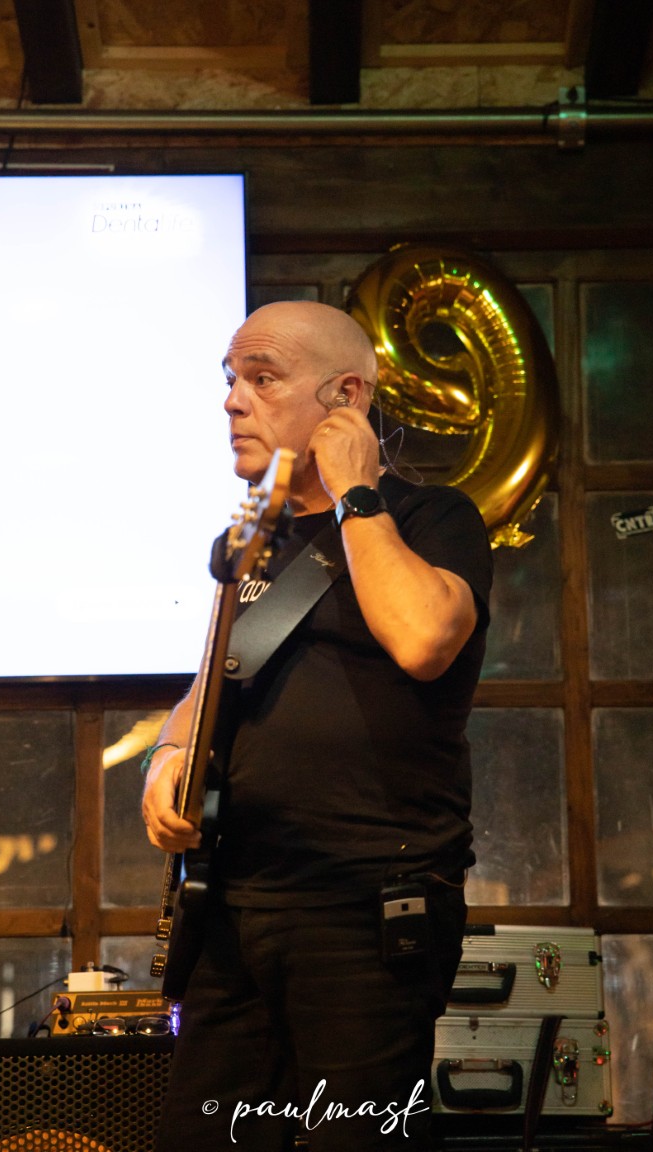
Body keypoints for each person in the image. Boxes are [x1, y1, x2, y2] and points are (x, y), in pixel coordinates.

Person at [141, 300, 493, 1151]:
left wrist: (355, 493)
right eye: (232, 379)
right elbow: (211, 685)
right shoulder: (250, 541)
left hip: (367, 909)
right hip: (235, 904)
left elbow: (424, 640)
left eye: (262, 378)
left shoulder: (430, 518)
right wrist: (168, 753)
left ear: (346, 396)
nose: (234, 400)